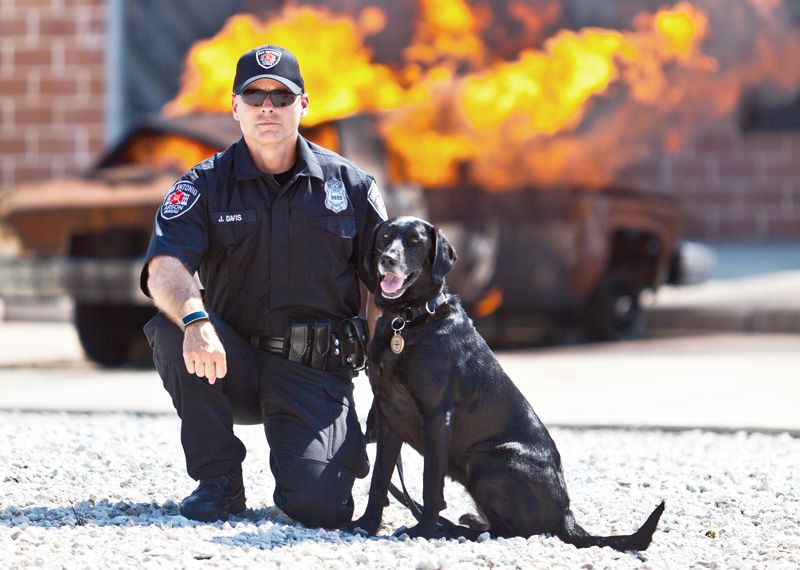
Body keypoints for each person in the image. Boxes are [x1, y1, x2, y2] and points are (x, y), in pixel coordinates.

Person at [140, 44, 388, 529]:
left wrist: (386, 370)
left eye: (281, 95)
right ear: (235, 108)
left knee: (319, 511)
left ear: (304, 105)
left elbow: (386, 285)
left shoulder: (350, 186)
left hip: (315, 371)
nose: (267, 106)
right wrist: (195, 320)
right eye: (254, 96)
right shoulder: (205, 184)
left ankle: (332, 445)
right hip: (235, 364)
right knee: (172, 330)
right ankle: (219, 482)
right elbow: (164, 266)